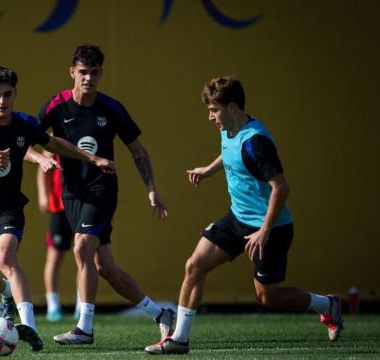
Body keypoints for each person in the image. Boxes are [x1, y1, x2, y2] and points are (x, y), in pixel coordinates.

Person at [144, 76, 344, 355]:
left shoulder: (257, 142)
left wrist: (264, 230)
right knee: (194, 266)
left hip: (271, 228)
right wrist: (208, 170)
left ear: (233, 107)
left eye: (214, 110)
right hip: (237, 219)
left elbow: (281, 188)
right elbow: (229, 154)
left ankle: (327, 305)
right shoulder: (228, 129)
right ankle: (179, 339)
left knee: (268, 296)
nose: (211, 116)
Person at [0, 66, 115, 352]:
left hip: (8, 209)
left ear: (15, 94)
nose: (2, 101)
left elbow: (53, 143)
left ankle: (29, 327)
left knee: (6, 256)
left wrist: (91, 157)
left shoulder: (23, 123)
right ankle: (8, 292)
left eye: (8, 94)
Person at [38, 44, 172, 345]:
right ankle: (160, 314)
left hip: (102, 190)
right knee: (105, 267)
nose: (88, 78)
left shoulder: (111, 108)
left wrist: (151, 189)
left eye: (94, 73)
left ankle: (84, 328)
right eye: (83, 72)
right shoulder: (56, 106)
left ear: (101, 74)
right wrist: (41, 158)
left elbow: (138, 151)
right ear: (72, 72)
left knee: (81, 246)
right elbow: (30, 138)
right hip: (71, 194)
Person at [36, 151, 80, 322]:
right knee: (54, 259)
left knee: (83, 257)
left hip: (82, 206)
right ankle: (53, 305)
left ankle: (81, 305)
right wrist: (43, 195)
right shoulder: (56, 136)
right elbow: (43, 166)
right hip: (60, 207)